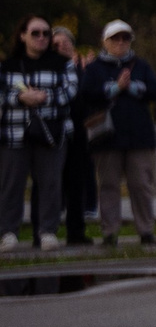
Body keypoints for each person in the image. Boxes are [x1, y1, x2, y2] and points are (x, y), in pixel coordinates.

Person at [81, 22, 156, 244]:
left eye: (125, 39)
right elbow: (87, 93)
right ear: (105, 42)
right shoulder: (95, 67)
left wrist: (133, 87)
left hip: (139, 136)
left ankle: (146, 230)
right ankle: (110, 232)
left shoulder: (141, 65)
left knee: (141, 185)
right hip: (107, 137)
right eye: (115, 39)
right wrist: (115, 88)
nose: (120, 43)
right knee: (108, 185)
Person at [3, 15, 74, 250]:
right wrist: (20, 98)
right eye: (35, 33)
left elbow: (71, 92)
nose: (42, 37)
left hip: (51, 135)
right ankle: (8, 233)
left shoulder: (63, 63)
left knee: (50, 184)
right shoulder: (8, 65)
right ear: (22, 36)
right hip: (14, 134)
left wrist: (43, 97)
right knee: (11, 185)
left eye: (46, 33)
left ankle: (47, 232)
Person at [50, 24, 96, 245]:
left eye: (65, 43)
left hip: (78, 134)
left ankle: (75, 231)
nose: (61, 47)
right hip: (54, 133)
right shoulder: (49, 70)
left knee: (77, 184)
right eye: (56, 44)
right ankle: (45, 230)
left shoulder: (82, 69)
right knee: (48, 183)